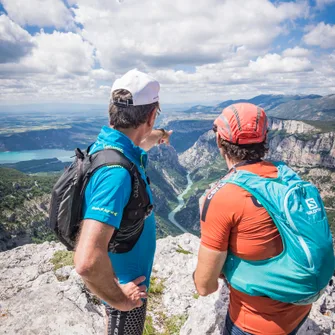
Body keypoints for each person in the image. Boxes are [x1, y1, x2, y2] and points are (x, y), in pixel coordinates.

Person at [193, 103, 313, 335]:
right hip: (300, 310)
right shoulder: (287, 176)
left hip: (254, 324)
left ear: (219, 141)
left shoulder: (224, 196)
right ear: (265, 138)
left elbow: (204, 286)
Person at [74, 69, 172, 335]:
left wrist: (160, 134)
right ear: (151, 116)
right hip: (128, 286)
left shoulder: (109, 146)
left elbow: (139, 142)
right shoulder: (116, 175)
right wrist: (121, 298)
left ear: (112, 113)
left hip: (123, 276)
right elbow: (86, 261)